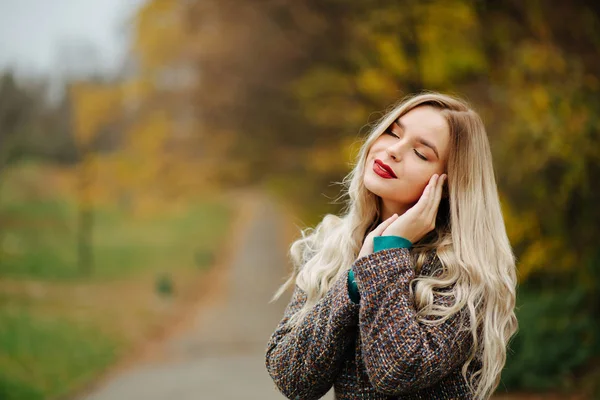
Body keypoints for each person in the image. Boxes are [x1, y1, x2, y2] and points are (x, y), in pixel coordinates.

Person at [265, 92, 518, 400]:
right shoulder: (328, 246)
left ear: (451, 185)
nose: (394, 151)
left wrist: (387, 253)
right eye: (392, 132)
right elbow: (292, 378)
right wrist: (352, 284)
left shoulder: (463, 274)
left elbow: (397, 371)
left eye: (421, 154)